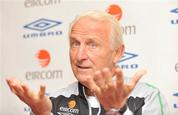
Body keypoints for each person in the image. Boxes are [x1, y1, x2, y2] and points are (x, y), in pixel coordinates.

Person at [6, 10, 169, 115]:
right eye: (75, 43)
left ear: (117, 52)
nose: (79, 56)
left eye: (92, 44)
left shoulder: (148, 98)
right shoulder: (51, 102)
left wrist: (118, 110)